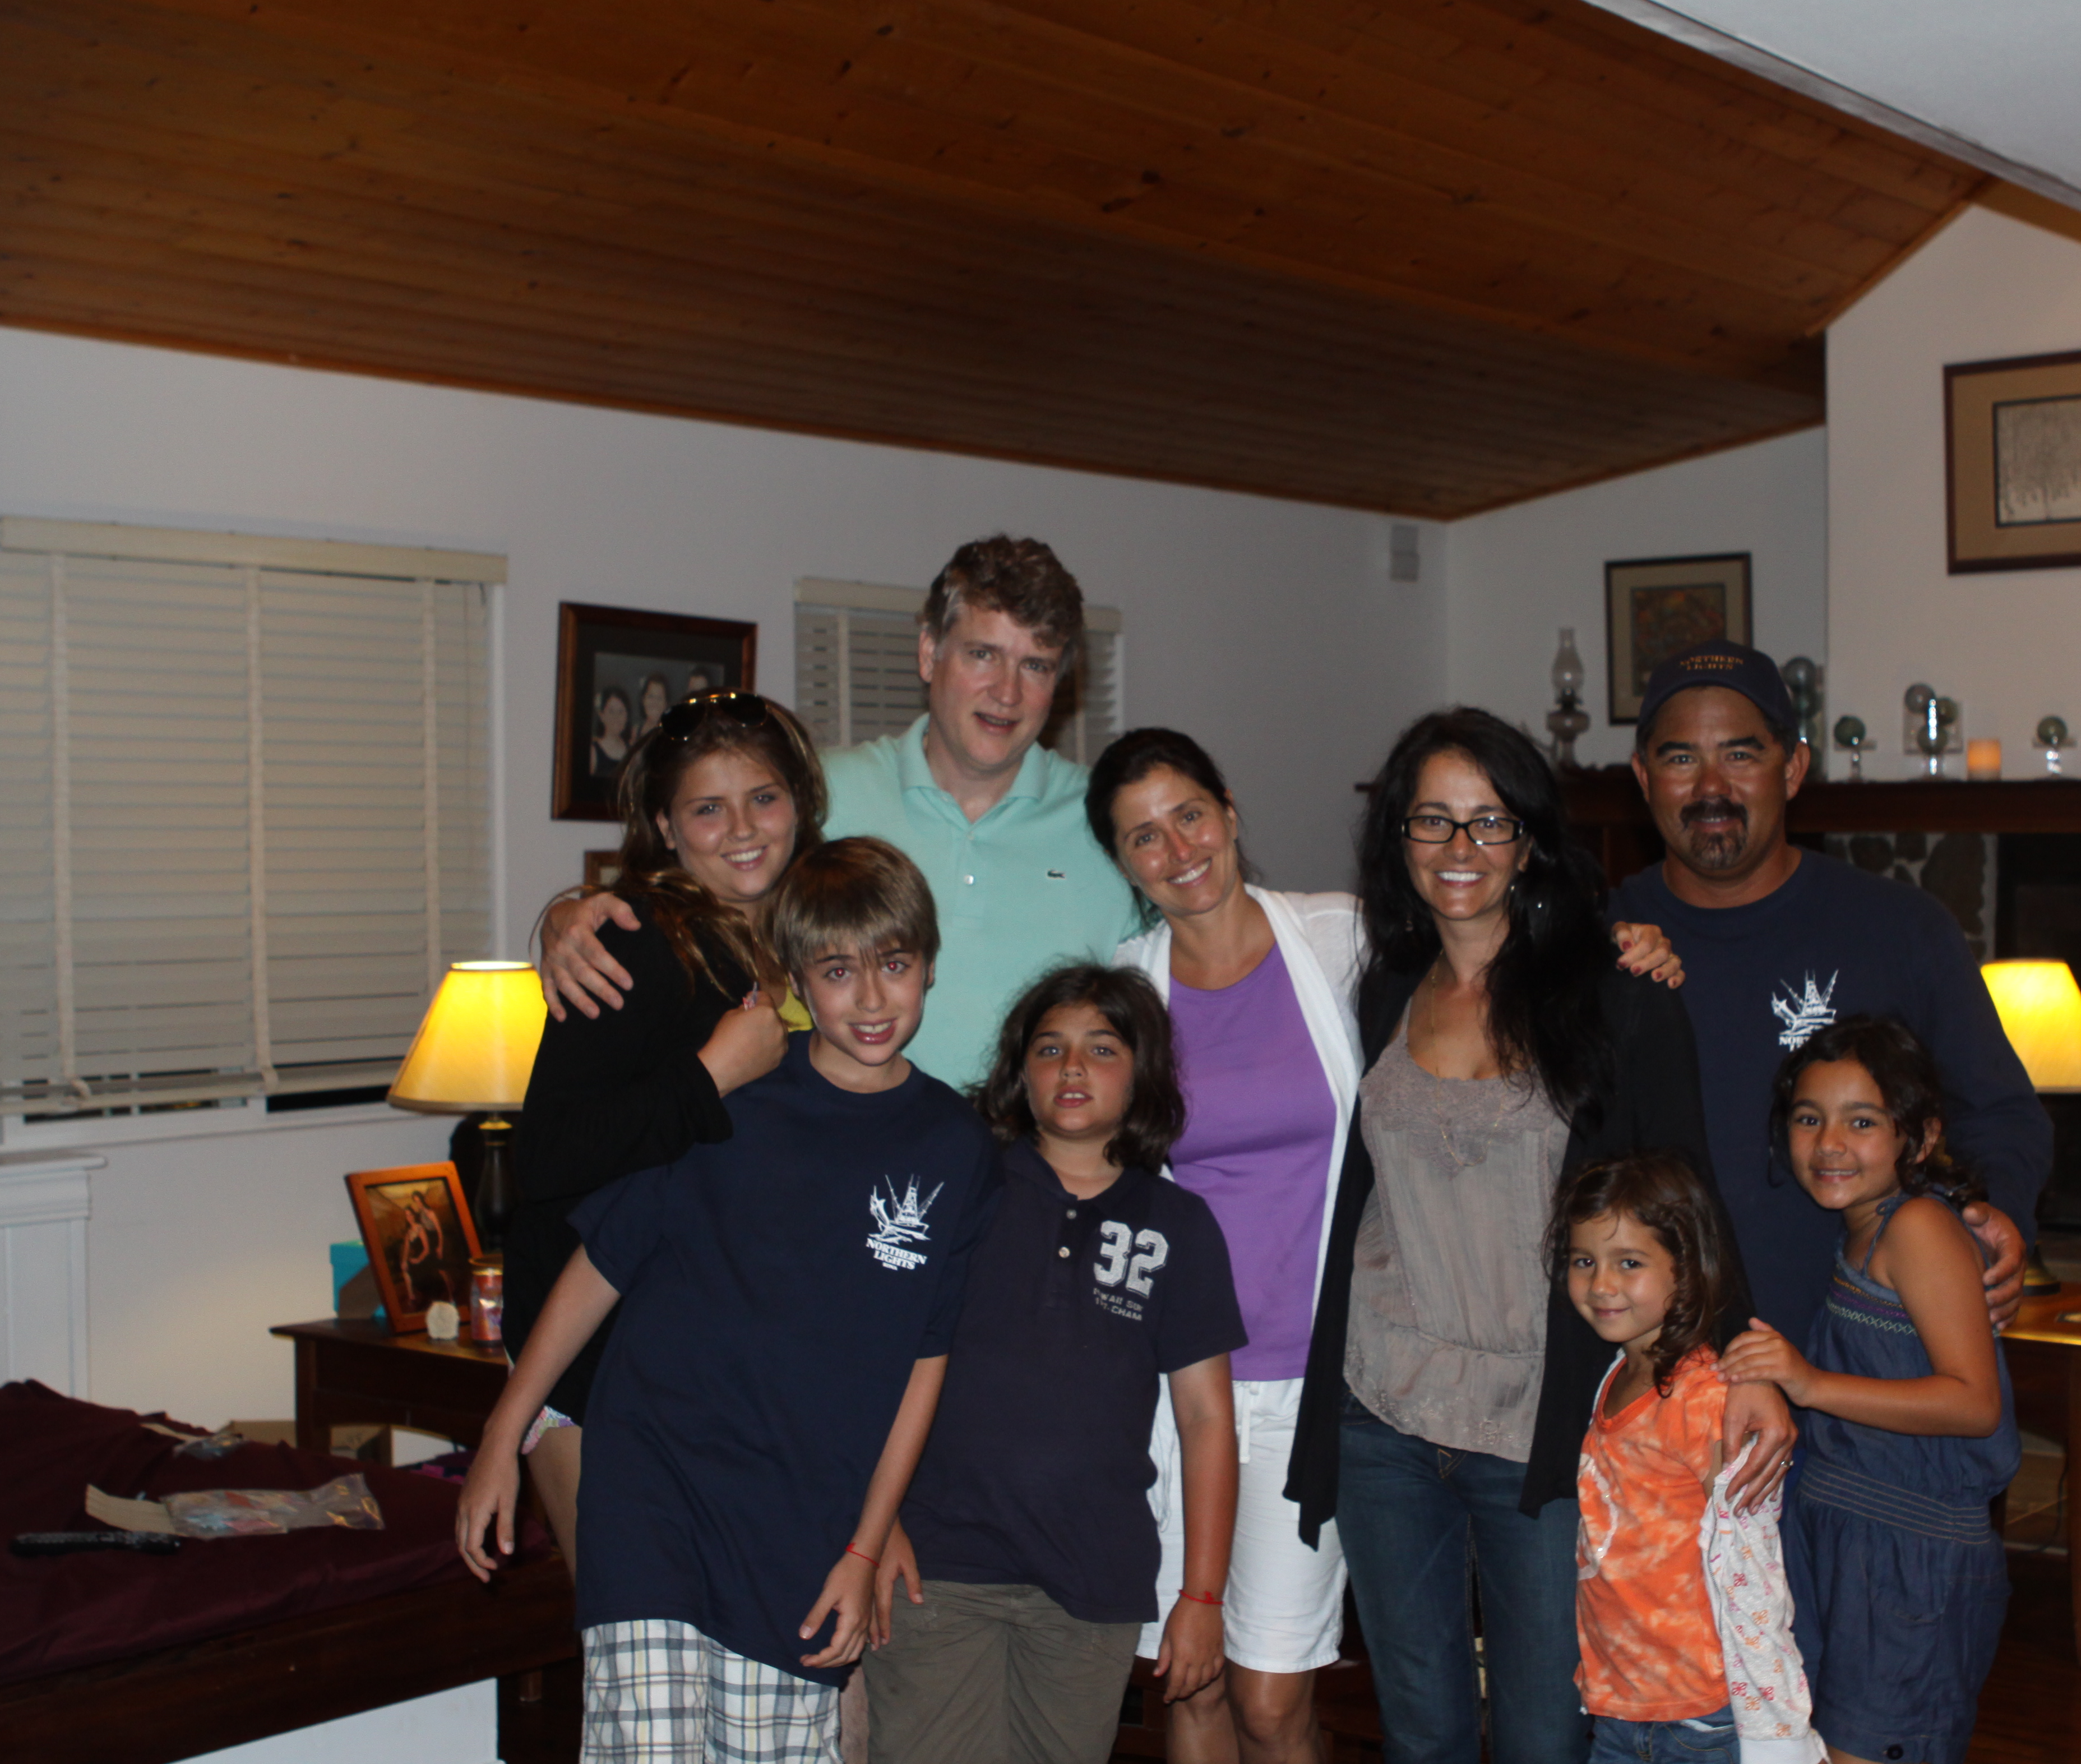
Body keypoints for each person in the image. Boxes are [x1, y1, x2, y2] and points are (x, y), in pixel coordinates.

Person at [1088, 726, 1688, 1764]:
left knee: (1523, 1725)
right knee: (1307, 1704)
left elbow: (1674, 1186)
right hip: (1314, 1392)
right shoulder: (1139, 989)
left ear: (1229, 811)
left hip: (1462, 1400)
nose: (1176, 848)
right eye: (1144, 835)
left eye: (1189, 815)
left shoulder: (1344, 942)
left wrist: (1626, 939)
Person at [1285, 707, 1792, 1764]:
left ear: (1528, 841)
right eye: (1433, 819)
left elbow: (1688, 1197)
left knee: (1544, 1733)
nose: (1459, 847)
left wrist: (1747, 1368)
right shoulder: (1383, 983)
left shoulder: (1618, 995)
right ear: (1399, 837)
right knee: (1419, 1731)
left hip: (1544, 1418)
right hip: (1382, 1408)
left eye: (1489, 821)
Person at [457, 835, 997, 1763]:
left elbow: (926, 1358)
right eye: (838, 971)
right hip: (653, 1486)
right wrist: (503, 1434)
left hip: (801, 1517)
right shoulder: (735, 1097)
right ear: (796, 980)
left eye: (895, 964)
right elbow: (600, 1266)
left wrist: (866, 1545)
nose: (871, 998)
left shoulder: (956, 1147)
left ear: (930, 965)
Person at [539, 537, 1130, 1086]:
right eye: (983, 654)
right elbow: (693, 890)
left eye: (1036, 665)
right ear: (930, 653)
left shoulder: (1111, 820)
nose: (1007, 692)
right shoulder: (820, 793)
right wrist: (568, 918)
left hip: (1036, 1159)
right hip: (838, 1149)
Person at [1611, 640, 2048, 1345]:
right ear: (1643, 776)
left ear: (1793, 769)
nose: (1712, 787)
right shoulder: (1602, 944)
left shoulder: (1902, 928)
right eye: (1681, 758)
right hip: (1659, 1368)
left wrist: (1993, 1215)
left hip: (1870, 1368)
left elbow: (2000, 1113)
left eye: (1741, 755)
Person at [867, 966, 1243, 1764]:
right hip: (938, 1565)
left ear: (1141, 1074)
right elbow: (875, 1358)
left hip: (1092, 1582)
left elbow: (1207, 1418)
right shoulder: (963, 1186)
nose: (1072, 1068)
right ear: (1019, 1072)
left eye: (1101, 1049)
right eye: (1050, 1049)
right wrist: (879, 1526)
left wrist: (1204, 1596)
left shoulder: (1179, 1225)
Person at [503, 690, 818, 1564]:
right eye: (707, 809)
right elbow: (549, 1155)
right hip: (597, 1369)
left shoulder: (804, 943)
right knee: (632, 1630)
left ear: (799, 803)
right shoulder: (636, 944)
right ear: (666, 828)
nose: (742, 829)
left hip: (721, 1363)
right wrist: (711, 1074)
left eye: (763, 797)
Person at [1724, 1016, 2019, 1764]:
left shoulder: (1917, 1227)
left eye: (1862, 1122)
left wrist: (1809, 1382)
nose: (1830, 1144)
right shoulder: (1862, 1229)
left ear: (1919, 1137)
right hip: (1844, 1542)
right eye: (1809, 1119)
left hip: (1910, 1557)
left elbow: (1974, 1403)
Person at [1551, 1151, 1820, 1764]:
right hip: (1620, 1706)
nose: (1601, 1284)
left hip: (1699, 1719)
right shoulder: (1617, 1374)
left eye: (1630, 1263)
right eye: (1584, 1261)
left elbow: (1752, 1564)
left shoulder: (1705, 1398)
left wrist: (1774, 1728)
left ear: (1688, 1270)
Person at [587, 685, 633, 789]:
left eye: (621, 712)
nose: (616, 717)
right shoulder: (593, 752)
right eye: (611, 712)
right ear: (602, 715)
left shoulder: (632, 753)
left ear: (627, 716)